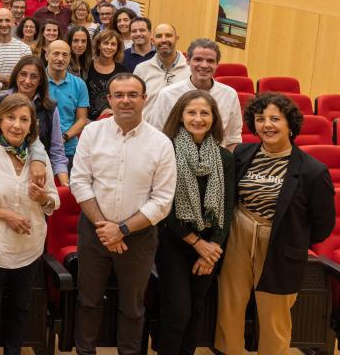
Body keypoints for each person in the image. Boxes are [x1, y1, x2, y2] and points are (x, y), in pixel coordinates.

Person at [215, 93, 335, 354]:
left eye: (274, 119)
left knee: (274, 313)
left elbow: (323, 223)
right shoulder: (243, 153)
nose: (267, 125)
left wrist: (296, 238)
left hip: (280, 241)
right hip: (239, 232)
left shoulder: (312, 170)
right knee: (230, 304)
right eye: (260, 119)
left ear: (289, 124)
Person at [69, 74, 177, 355]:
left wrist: (123, 230)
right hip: (93, 233)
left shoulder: (161, 143)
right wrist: (105, 228)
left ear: (145, 99)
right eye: (119, 95)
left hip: (138, 239)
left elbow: (162, 200)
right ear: (109, 100)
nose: (125, 100)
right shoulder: (92, 133)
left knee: (132, 306)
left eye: (132, 94)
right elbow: (80, 182)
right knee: (88, 301)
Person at [0, 93, 60, 355]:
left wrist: (43, 199)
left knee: (20, 308)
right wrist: (7, 215)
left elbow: (54, 202)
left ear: (31, 126)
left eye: (24, 119)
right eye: (10, 118)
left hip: (29, 247)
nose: (16, 125)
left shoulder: (39, 160)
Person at [156, 90, 236, 355]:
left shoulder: (224, 157)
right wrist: (196, 243)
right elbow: (163, 207)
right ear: (180, 116)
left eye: (205, 113)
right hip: (174, 242)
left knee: (196, 311)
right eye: (191, 112)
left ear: (214, 118)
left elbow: (226, 206)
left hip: (210, 248)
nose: (198, 118)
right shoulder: (166, 149)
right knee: (177, 312)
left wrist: (211, 249)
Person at [145, 39, 243, 151]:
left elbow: (233, 139)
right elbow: (157, 136)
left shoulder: (229, 95)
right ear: (187, 61)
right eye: (198, 59)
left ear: (217, 64)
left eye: (210, 61)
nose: (204, 65)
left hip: (218, 161)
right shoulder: (168, 94)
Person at [0, 55, 69, 185]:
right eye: (23, 74)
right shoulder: (1, 103)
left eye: (34, 77)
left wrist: (65, 185)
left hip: (39, 176)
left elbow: (57, 151)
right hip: (4, 174)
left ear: (41, 81)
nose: (27, 81)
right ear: (16, 76)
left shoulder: (49, 108)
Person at [46, 40, 89, 173]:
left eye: (65, 55)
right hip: (41, 149)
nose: (60, 59)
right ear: (47, 55)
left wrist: (63, 137)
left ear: (70, 57)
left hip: (69, 149)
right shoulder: (37, 81)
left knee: (67, 191)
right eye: (56, 54)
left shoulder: (79, 84)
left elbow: (82, 119)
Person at [134, 23, 190, 104]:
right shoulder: (141, 69)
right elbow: (134, 101)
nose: (164, 40)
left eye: (168, 35)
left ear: (176, 39)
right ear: (152, 41)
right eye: (159, 36)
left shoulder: (191, 69)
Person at [86, 29, 129, 120]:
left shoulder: (123, 71)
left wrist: (115, 112)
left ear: (118, 47)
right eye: (105, 43)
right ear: (98, 45)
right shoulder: (87, 67)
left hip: (116, 120)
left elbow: (126, 97)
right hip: (89, 122)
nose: (109, 47)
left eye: (113, 44)